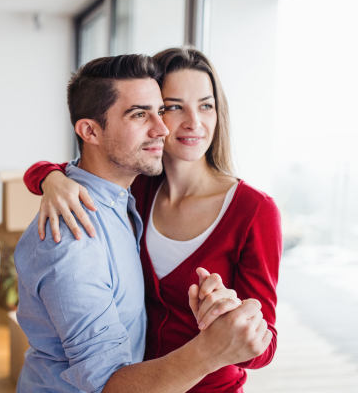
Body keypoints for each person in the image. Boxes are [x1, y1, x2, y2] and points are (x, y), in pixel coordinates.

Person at [15, 53, 274, 393]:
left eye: (206, 106)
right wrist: (49, 177)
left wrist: (231, 319)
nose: (171, 125)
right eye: (171, 107)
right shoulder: (130, 194)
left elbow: (262, 343)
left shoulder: (128, 193)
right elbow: (106, 383)